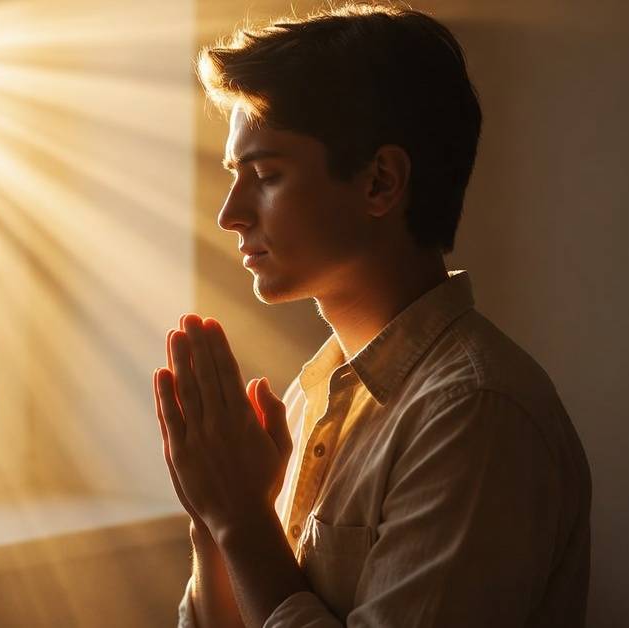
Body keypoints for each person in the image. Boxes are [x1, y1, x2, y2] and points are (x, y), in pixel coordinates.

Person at [150, 3, 591, 626]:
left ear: (380, 182)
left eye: (266, 174)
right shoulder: (311, 400)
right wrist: (212, 518)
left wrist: (242, 521)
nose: (230, 214)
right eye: (235, 175)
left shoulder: (475, 414)